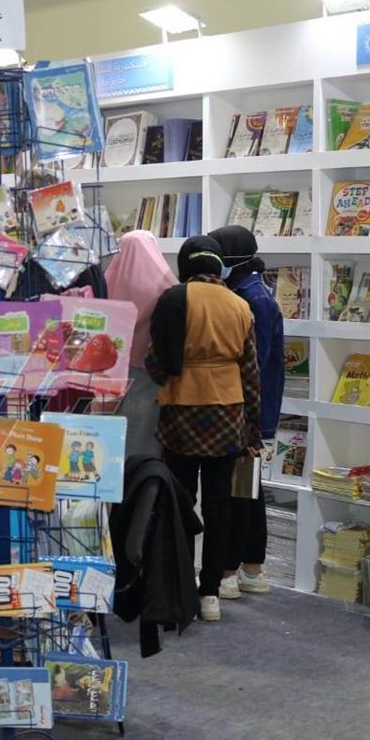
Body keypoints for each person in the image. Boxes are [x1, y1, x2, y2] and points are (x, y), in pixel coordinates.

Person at [146, 235, 261, 622]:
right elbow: (251, 374)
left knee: (179, 501)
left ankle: (176, 584)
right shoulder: (239, 304)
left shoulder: (174, 299)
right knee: (219, 504)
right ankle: (210, 592)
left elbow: (157, 363)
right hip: (228, 414)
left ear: (185, 266)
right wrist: (253, 429)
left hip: (182, 411)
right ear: (217, 266)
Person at [212, 224, 284, 598]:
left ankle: (230, 570)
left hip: (245, 410)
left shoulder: (253, 299)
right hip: (248, 408)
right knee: (248, 489)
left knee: (238, 491)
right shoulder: (245, 292)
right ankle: (251, 568)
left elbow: (252, 364)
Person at [104, 229, 178, 457]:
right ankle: (143, 475)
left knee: (111, 430)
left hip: (110, 369)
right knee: (144, 431)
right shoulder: (167, 284)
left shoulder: (107, 280)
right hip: (150, 369)